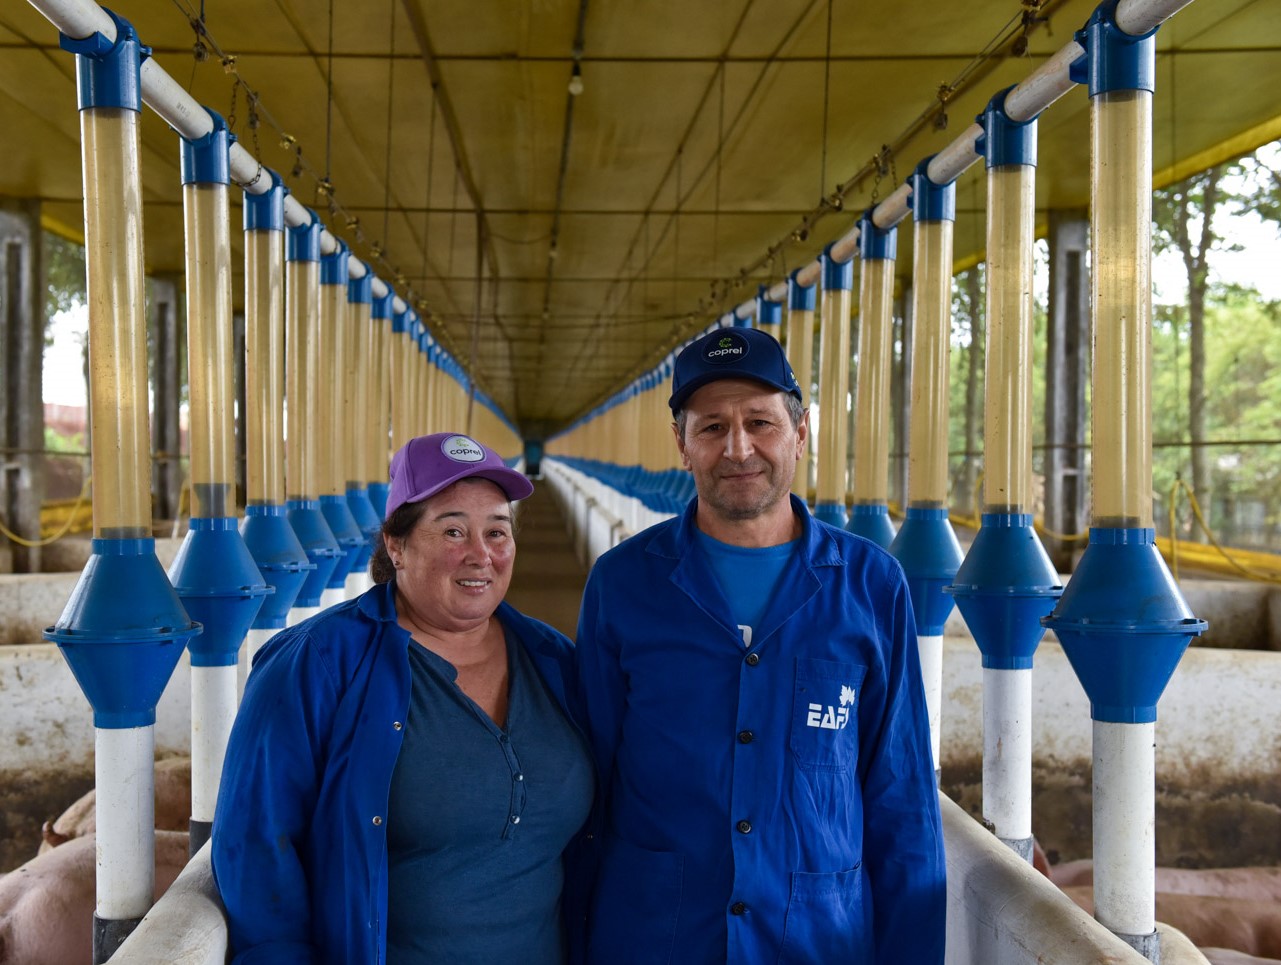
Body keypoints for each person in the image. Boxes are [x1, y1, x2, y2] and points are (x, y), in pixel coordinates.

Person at [574, 327, 946, 963]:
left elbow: (901, 797)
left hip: (815, 939)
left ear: (801, 434)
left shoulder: (870, 585)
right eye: (712, 427)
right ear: (682, 445)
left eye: (760, 422)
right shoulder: (623, 583)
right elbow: (589, 783)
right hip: (657, 935)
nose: (738, 447)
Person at [212, 432, 594, 965]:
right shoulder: (316, 663)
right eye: (453, 530)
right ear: (397, 545)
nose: (481, 555)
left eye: (497, 531)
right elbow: (256, 848)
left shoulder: (553, 659)